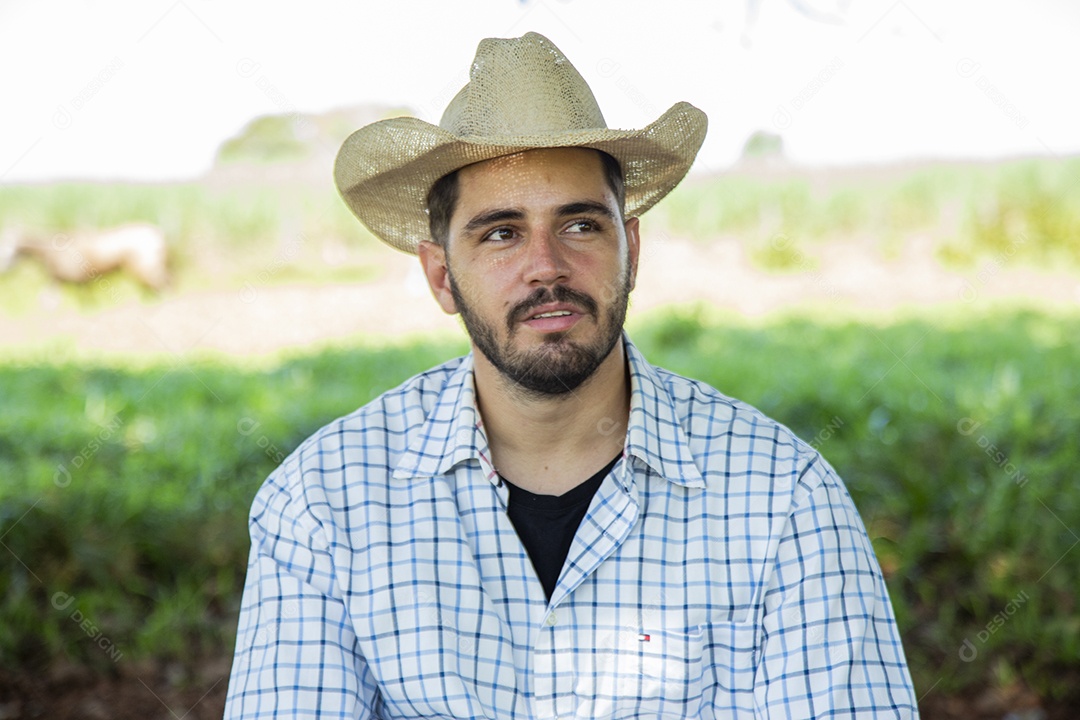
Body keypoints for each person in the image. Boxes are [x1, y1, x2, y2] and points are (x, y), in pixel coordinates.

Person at [224, 32, 918, 719]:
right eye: (501, 232)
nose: (546, 267)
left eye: (581, 225)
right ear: (441, 275)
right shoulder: (325, 502)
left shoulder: (781, 500)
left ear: (631, 248)